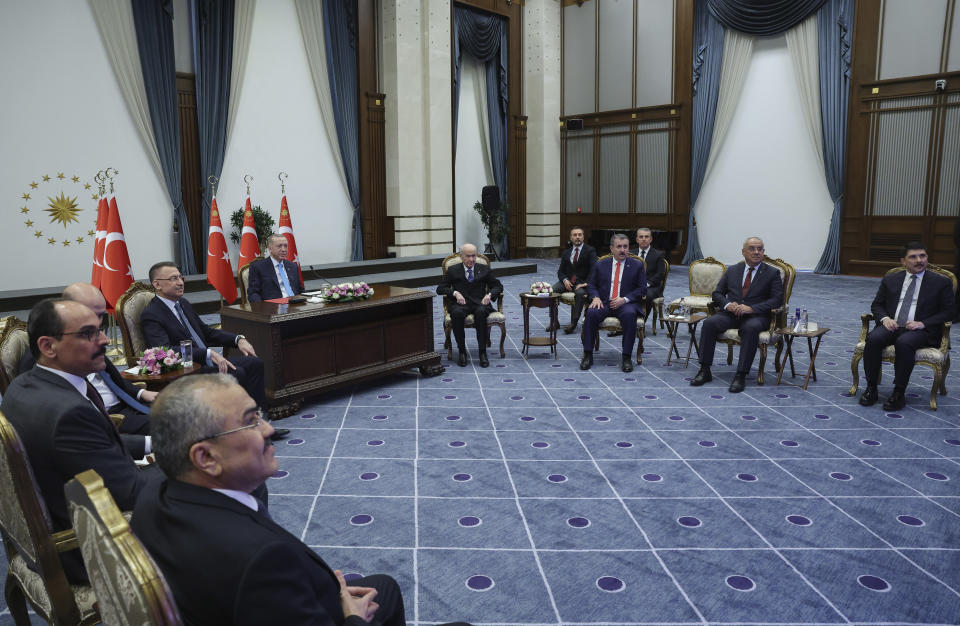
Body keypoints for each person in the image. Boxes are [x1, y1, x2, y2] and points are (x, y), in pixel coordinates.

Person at [132, 374, 415, 626]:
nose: (268, 429)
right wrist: (353, 616)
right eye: (250, 422)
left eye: (260, 416)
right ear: (205, 457)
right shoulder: (260, 560)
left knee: (384, 587)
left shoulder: (152, 495)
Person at [1, 298, 158, 583]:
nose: (106, 342)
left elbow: (88, 449)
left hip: (73, 505)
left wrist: (153, 445)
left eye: (100, 330)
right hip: (89, 548)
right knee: (223, 477)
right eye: (89, 333)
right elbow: (131, 493)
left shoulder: (25, 385)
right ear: (48, 346)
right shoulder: (68, 413)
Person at [140, 261, 288, 439]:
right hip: (188, 370)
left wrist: (238, 339)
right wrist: (208, 354)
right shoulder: (152, 314)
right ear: (157, 284)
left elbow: (206, 332)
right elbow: (164, 351)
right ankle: (240, 429)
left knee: (255, 363)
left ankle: (259, 424)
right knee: (237, 372)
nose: (180, 282)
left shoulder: (183, 303)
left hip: (208, 362)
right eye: (173, 279)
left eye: (180, 277)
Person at [18, 282, 156, 458]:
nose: (104, 339)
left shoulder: (84, 343)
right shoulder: (45, 380)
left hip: (123, 406)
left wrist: (141, 392)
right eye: (88, 328)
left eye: (100, 317)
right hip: (109, 419)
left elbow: (114, 380)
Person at [859, 241, 955, 410]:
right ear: (903, 261)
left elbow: (949, 312)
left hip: (922, 330)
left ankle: (898, 393)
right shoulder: (891, 278)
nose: (919, 260)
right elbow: (877, 305)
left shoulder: (941, 282)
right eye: (913, 257)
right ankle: (871, 388)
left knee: (904, 342)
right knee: (873, 339)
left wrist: (922, 323)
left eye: (923, 256)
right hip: (893, 325)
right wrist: (885, 319)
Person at [691, 236, 783, 393]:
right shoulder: (733, 270)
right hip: (731, 314)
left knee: (750, 328)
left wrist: (752, 308)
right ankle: (704, 370)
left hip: (757, 316)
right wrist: (728, 305)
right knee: (709, 323)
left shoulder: (772, 273)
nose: (756, 252)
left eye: (760, 249)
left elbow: (776, 300)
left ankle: (741, 375)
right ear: (743, 252)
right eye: (752, 249)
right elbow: (717, 293)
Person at [580, 233, 646, 373]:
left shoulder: (636, 265)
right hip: (604, 302)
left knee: (629, 315)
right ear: (611, 249)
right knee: (591, 313)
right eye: (619, 247)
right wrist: (595, 297)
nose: (622, 250)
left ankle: (627, 357)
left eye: (625, 247)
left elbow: (642, 289)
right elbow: (591, 285)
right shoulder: (601, 264)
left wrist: (625, 299)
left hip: (625, 304)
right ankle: (588, 354)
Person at [437, 243, 503, 368]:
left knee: (481, 312)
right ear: (461, 257)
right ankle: (462, 351)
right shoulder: (453, 270)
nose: (471, 259)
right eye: (468, 256)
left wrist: (489, 295)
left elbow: (498, 286)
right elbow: (440, 288)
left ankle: (482, 352)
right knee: (456, 313)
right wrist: (455, 293)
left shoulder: (484, 269)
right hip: (461, 304)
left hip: (480, 303)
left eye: (474, 256)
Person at [552, 226, 597, 334]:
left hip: (582, 283)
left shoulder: (590, 250)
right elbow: (560, 271)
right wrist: (565, 280)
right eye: (575, 235)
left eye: (580, 235)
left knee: (580, 294)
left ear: (583, 237)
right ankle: (554, 321)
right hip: (568, 282)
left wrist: (586, 284)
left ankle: (573, 323)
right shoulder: (566, 252)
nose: (577, 237)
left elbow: (594, 269)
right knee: (552, 290)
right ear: (571, 238)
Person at [247, 233, 304, 302]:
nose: (283, 249)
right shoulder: (258, 267)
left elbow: (300, 290)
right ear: (270, 248)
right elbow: (253, 293)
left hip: (296, 304)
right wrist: (262, 307)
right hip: (273, 307)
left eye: (285, 246)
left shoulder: (292, 266)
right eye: (279, 246)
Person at [631, 227, 667, 317]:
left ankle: (640, 321)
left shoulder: (658, 254)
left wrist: (646, 284)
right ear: (637, 239)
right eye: (641, 237)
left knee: (646, 296)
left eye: (646, 237)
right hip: (633, 284)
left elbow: (660, 274)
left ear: (650, 239)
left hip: (651, 287)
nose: (644, 239)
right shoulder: (630, 254)